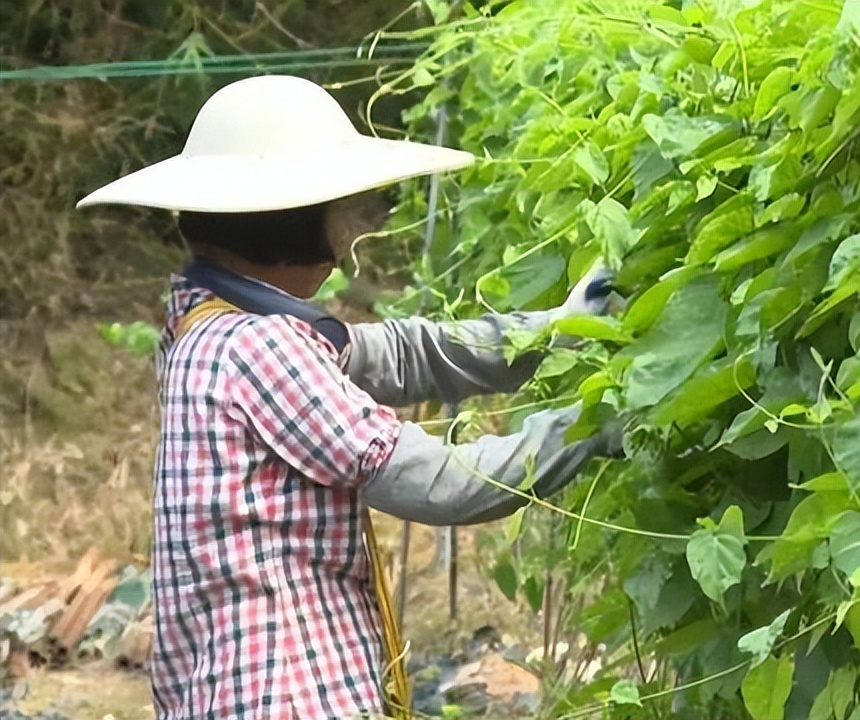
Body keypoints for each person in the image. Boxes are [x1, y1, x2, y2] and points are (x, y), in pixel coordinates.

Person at [77, 75, 618, 720]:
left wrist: (558, 330)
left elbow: (401, 354)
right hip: (290, 694)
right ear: (287, 224)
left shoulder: (209, 329)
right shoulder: (259, 347)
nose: (346, 239)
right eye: (338, 215)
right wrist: (595, 420)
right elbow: (438, 483)